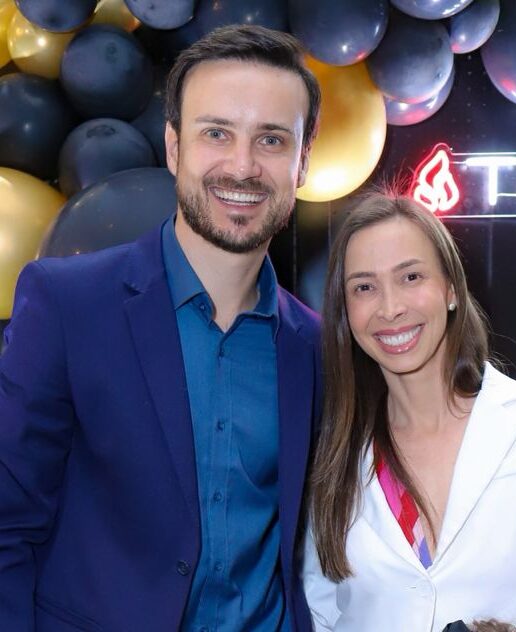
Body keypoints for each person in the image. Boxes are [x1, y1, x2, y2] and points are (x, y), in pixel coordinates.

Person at [0, 25, 322, 631]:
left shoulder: (316, 349)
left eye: (272, 139)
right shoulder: (67, 305)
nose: (243, 166)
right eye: (216, 133)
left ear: (302, 161)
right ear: (174, 147)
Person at [302, 192, 516, 631]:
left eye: (411, 276)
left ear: (450, 288)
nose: (390, 308)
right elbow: (322, 613)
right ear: (345, 311)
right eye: (364, 287)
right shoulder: (334, 452)